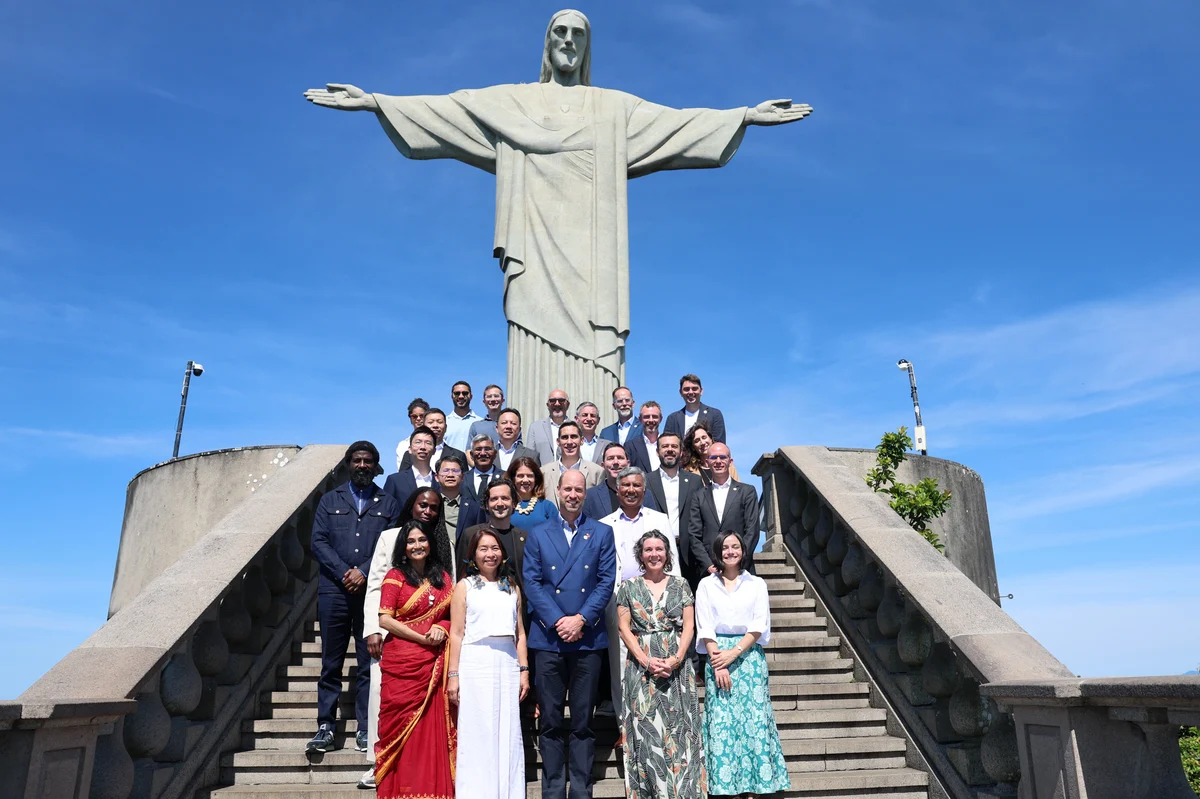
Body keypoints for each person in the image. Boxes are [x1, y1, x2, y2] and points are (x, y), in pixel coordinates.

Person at [523, 469, 617, 799]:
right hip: (548, 639)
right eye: (568, 489)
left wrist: (581, 619)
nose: (574, 494)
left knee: (582, 721)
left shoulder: (602, 533)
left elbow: (606, 581)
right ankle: (552, 789)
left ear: (585, 494)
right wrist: (558, 620)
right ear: (557, 492)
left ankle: (580, 788)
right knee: (549, 720)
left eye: (579, 489)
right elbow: (532, 582)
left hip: (587, 638)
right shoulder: (538, 533)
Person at [307, 442, 401, 755]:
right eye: (357, 460)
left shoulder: (387, 503)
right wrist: (345, 572)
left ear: (376, 466)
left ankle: (365, 727)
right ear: (349, 464)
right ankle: (325, 725)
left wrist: (362, 571)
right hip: (333, 590)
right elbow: (318, 541)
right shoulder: (330, 499)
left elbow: (390, 545)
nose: (362, 465)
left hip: (370, 592)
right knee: (330, 662)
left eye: (368, 461)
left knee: (367, 662)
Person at [361, 487, 454, 788]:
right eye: (422, 505)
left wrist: (444, 626)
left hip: (435, 658)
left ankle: (432, 781)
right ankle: (386, 772)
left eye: (433, 507)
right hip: (401, 655)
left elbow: (454, 606)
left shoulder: (443, 565)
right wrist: (372, 630)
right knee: (392, 715)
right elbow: (377, 594)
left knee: (432, 723)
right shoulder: (392, 556)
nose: (427, 511)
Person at [695, 532, 789, 796]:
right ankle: (725, 786)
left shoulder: (756, 583)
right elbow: (705, 627)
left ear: (743, 551)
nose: (730, 551)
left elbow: (759, 624)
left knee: (753, 723)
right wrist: (719, 662)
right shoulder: (705, 585)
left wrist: (733, 654)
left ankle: (755, 786)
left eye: (735, 546)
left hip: (748, 659)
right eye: (725, 547)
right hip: (717, 659)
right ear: (718, 552)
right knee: (723, 723)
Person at [616, 530, 705, 799]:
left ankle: (683, 792)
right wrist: (645, 660)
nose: (654, 554)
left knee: (680, 729)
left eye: (659, 549)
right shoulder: (628, 586)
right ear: (640, 555)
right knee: (647, 732)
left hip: (677, 667)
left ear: (667, 554)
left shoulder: (682, 585)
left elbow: (690, 625)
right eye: (648, 550)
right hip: (642, 667)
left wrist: (677, 659)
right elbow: (623, 627)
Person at [447, 527, 531, 799]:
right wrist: (454, 674)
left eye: (494, 548)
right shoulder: (465, 586)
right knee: (478, 730)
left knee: (507, 730)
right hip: (475, 662)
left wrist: (524, 670)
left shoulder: (512, 586)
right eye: (483, 549)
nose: (490, 554)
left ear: (502, 554)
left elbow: (519, 633)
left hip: (506, 662)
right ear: (473, 554)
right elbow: (457, 633)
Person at [599, 466, 678, 711]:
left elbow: (672, 563)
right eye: (626, 485)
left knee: (657, 658)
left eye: (636, 485)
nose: (631, 490)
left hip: (656, 601)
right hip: (618, 601)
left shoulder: (659, 519)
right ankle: (625, 729)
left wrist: (672, 601)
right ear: (617, 489)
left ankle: (657, 723)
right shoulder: (604, 524)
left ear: (644, 490)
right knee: (621, 664)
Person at [686, 442, 760, 580]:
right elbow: (694, 534)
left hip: (742, 569)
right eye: (714, 458)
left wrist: (739, 561)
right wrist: (708, 564)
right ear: (707, 462)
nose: (718, 461)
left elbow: (752, 530)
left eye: (722, 457)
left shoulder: (747, 492)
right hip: (711, 571)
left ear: (730, 461)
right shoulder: (698, 495)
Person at [646, 432, 704, 581]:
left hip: (688, 553)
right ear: (657, 451)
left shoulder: (695, 481)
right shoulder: (646, 481)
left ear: (681, 451)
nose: (670, 450)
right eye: (665, 446)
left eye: (674, 446)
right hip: (657, 551)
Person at [456, 478, 529, 592]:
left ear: (514, 503)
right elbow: (461, 574)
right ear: (486, 505)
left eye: (505, 498)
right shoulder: (470, 535)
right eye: (494, 499)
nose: (500, 503)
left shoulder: (525, 538)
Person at [583, 442, 660, 520]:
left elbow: (653, 522)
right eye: (610, 458)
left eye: (620, 458)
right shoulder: (590, 496)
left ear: (628, 463)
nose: (616, 462)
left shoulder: (645, 494)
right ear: (603, 465)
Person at [542, 420, 605, 505]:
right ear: (558, 442)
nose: (569, 442)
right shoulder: (544, 472)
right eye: (564, 437)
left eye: (574, 437)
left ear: (582, 440)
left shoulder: (596, 472)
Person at [384, 426, 440, 510]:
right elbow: (386, 510)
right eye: (418, 442)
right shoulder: (395, 480)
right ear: (409, 449)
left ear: (434, 450)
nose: (423, 447)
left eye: (428, 443)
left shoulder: (440, 481)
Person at [435, 452, 483, 548]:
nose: (450, 475)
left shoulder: (474, 508)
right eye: (445, 470)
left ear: (462, 477)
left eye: (455, 471)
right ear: (436, 477)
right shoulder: (430, 505)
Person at [664, 374, 727, 444]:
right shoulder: (672, 419)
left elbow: (719, 444)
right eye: (686, 389)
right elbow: (666, 443)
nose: (690, 392)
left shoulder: (715, 415)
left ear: (701, 391)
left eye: (694, 389)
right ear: (680, 393)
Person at [399, 408, 466, 472]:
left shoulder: (458, 455)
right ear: (423, 426)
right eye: (430, 422)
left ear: (445, 427)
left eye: (439, 422)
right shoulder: (410, 454)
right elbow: (402, 479)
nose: (435, 425)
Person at [507, 455, 559, 532]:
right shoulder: (505, 505)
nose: (525, 480)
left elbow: (557, 534)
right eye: (520, 476)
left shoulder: (547, 506)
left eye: (530, 476)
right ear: (513, 478)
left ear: (536, 479)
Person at [682, 421, 740, 486]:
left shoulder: (728, 466)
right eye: (697, 440)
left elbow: (738, 491)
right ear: (693, 447)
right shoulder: (688, 471)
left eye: (704, 437)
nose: (702, 443)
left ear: (711, 439)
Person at [526, 389, 571, 465]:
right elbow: (530, 457)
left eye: (561, 400)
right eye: (552, 401)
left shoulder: (576, 427)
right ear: (548, 405)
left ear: (568, 405)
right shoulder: (535, 427)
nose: (557, 404)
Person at [462, 434, 504, 506]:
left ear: (495, 454)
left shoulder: (505, 477)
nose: (483, 453)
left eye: (487, 449)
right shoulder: (462, 479)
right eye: (478, 449)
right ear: (471, 455)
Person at [444, 380, 484, 452]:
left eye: (465, 393)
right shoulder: (444, 423)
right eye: (457, 393)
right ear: (451, 396)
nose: (461, 396)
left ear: (471, 396)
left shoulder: (480, 422)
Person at [624, 400, 661, 472]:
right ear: (640, 419)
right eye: (646, 417)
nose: (651, 420)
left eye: (654, 416)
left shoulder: (669, 445)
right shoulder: (630, 447)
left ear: (661, 419)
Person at [395, 398, 430, 471]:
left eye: (422, 416)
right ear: (410, 419)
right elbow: (402, 472)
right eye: (414, 416)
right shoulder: (403, 445)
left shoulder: (438, 442)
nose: (418, 419)